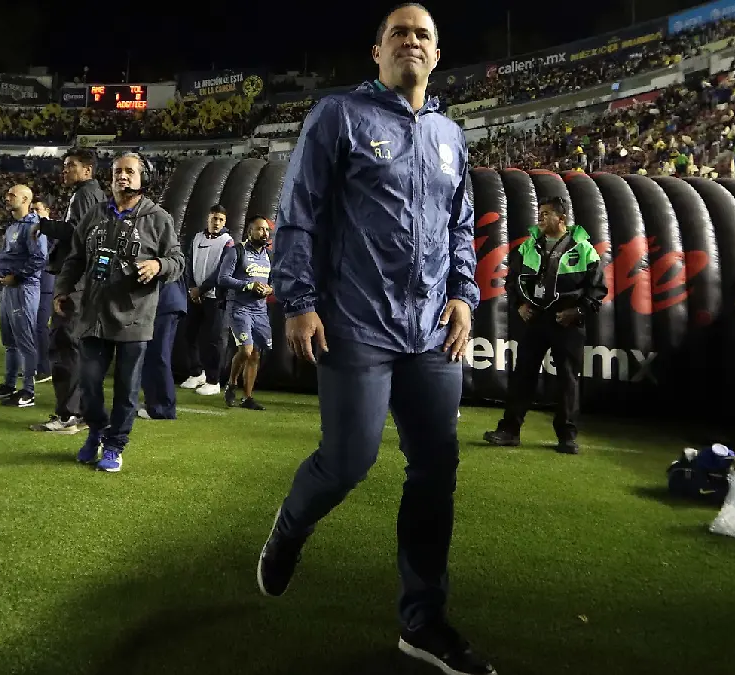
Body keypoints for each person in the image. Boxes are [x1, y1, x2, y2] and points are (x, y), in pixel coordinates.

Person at [260, 5, 494, 675]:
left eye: (423, 34)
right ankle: (290, 527)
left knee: (435, 469)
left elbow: (459, 224)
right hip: (355, 323)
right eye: (399, 33)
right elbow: (297, 208)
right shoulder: (338, 116)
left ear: (438, 54)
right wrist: (299, 300)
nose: (411, 42)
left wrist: (462, 293)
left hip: (428, 333)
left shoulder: (451, 134)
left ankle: (422, 620)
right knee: (349, 461)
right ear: (377, 52)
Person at [54, 153, 184, 473]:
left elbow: (178, 261)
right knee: (89, 382)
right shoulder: (95, 214)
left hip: (135, 316)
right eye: (117, 171)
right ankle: (97, 430)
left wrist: (159, 265)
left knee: (127, 388)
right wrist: (62, 289)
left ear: (143, 177)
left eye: (129, 171)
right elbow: (75, 258)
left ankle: (115, 445)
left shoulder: (158, 218)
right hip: (93, 315)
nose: (122, 176)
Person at [482, 195, 607, 454]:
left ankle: (567, 437)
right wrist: (519, 305)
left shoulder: (585, 249)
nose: (541, 217)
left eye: (547, 213)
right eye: (540, 212)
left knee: (568, 380)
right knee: (522, 376)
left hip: (568, 322)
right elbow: (512, 280)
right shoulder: (529, 246)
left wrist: (576, 311)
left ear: (562, 219)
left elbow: (597, 289)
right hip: (536, 320)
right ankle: (509, 431)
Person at [31, 149, 105, 434]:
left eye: (70, 165)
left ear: (88, 170)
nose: (65, 170)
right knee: (77, 349)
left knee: (64, 346)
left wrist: (46, 225)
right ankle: (83, 412)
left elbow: (79, 232)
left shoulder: (85, 194)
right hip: (83, 282)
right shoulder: (90, 194)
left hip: (76, 283)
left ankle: (68, 416)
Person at [0, 184, 47, 408]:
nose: (7, 197)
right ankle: (9, 385)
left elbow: (39, 258)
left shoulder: (34, 226)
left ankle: (28, 391)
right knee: (9, 341)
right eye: (7, 193)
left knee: (25, 341)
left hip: (24, 289)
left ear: (26, 199)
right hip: (9, 290)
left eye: (12, 195)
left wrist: (17, 277)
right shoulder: (13, 227)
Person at [218, 216, 274, 410]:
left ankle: (247, 398)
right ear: (249, 231)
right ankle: (232, 383)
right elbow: (223, 278)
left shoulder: (269, 255)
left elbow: (275, 282)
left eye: (266, 229)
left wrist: (270, 289)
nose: (264, 233)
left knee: (256, 355)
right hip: (240, 308)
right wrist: (248, 285)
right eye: (260, 229)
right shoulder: (237, 251)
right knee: (246, 350)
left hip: (260, 311)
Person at [177, 204, 234, 397]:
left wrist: (201, 290)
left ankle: (213, 380)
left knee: (213, 340)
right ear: (208, 219)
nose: (216, 222)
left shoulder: (228, 242)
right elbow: (189, 262)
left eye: (220, 219)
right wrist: (193, 288)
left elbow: (221, 271)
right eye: (214, 218)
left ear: (225, 222)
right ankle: (196, 372)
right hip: (195, 296)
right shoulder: (197, 238)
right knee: (189, 334)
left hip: (213, 298)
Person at [138, 262, 188, 420]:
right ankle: (154, 403)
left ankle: (163, 408)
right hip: (169, 301)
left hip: (164, 301)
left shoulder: (153, 244)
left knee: (158, 354)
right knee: (153, 354)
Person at [30, 198, 54, 384]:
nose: (34, 212)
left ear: (47, 210)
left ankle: (45, 369)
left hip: (47, 285)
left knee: (40, 327)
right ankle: (36, 366)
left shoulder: (54, 231)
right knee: (33, 328)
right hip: (34, 284)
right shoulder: (34, 231)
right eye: (32, 209)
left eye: (37, 209)